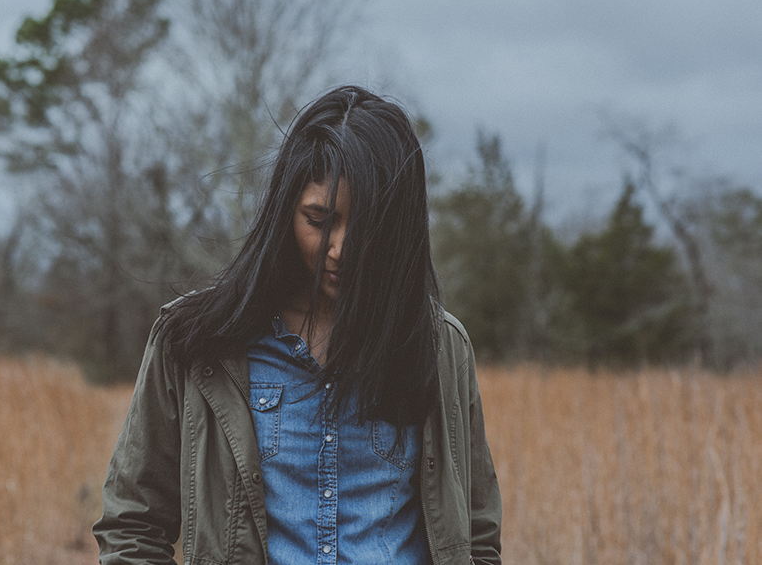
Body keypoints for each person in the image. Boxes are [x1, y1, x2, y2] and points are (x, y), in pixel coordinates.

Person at [93, 86, 502, 565]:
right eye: (319, 220)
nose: (342, 249)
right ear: (286, 211)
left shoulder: (440, 347)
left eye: (369, 227)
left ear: (398, 228)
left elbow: (476, 539)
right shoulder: (194, 343)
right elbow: (132, 526)